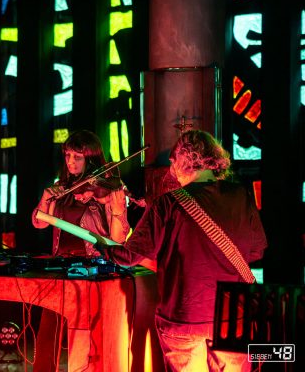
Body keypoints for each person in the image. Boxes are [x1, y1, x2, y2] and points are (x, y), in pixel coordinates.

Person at [100, 130, 267, 372]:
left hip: (183, 318)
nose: (171, 165)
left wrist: (101, 243)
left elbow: (127, 257)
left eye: (174, 158)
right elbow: (256, 252)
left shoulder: (167, 203)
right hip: (233, 320)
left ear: (184, 159)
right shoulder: (241, 195)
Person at [31, 130, 130, 371]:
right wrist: (46, 198)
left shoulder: (106, 189)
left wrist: (117, 210)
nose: (71, 162)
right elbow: (39, 222)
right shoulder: (61, 188)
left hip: (91, 270)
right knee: (48, 333)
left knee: (84, 338)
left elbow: (118, 238)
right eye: (68, 155)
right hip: (60, 267)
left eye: (78, 157)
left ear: (92, 159)